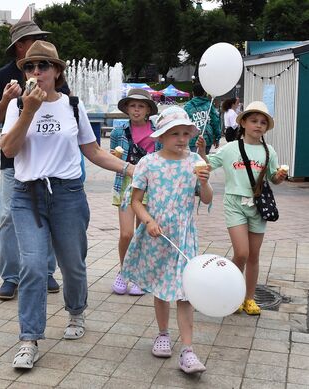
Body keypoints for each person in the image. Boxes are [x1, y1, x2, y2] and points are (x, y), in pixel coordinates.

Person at [0, 40, 133, 369]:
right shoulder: (17, 107)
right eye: (30, 67)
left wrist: (132, 169)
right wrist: (29, 111)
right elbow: (8, 150)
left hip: (67, 194)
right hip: (27, 194)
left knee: (73, 265)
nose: (35, 72)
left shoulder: (73, 106)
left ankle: (76, 312)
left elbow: (94, 151)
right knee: (32, 267)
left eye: (43, 66)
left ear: (57, 71)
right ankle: (29, 339)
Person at [122, 106, 213, 374]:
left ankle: (188, 350)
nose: (182, 138)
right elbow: (135, 201)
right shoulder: (148, 163)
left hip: (184, 238)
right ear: (161, 136)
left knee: (186, 293)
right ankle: (163, 333)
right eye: (175, 133)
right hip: (158, 237)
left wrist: (205, 182)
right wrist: (148, 220)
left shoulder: (194, 160)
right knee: (161, 289)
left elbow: (206, 199)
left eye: (186, 133)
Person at [0, 20, 68, 299]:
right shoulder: (5, 76)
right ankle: (10, 276)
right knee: (9, 218)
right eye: (34, 38)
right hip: (14, 162)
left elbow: (65, 114)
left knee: (50, 217)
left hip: (50, 165)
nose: (38, 70)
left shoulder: (52, 75)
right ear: (20, 45)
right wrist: (8, 100)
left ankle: (46, 271)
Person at [196, 101, 287, 315]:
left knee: (254, 255)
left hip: (258, 206)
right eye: (254, 121)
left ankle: (248, 298)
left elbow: (274, 179)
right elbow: (209, 164)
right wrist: (201, 151)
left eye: (263, 122)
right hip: (235, 204)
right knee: (242, 253)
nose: (258, 125)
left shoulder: (269, 151)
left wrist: (280, 177)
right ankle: (232, 293)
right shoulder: (231, 148)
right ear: (243, 122)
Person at [109, 88, 159, 296]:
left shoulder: (158, 131)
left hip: (149, 185)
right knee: (126, 233)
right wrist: (115, 156)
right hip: (126, 184)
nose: (136, 110)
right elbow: (113, 159)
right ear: (127, 109)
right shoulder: (118, 131)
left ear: (148, 109)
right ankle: (124, 271)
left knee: (143, 233)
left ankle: (139, 275)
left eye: (141, 106)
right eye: (133, 106)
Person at [184, 83, 221, 154]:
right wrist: (217, 137)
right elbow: (216, 121)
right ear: (204, 93)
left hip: (193, 139)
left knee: (195, 161)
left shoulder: (187, 106)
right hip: (207, 138)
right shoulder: (209, 105)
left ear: (193, 93)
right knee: (204, 160)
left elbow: (184, 123)